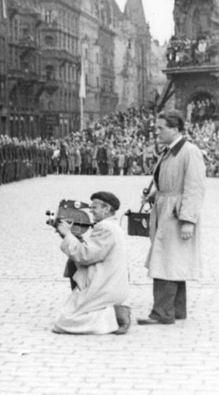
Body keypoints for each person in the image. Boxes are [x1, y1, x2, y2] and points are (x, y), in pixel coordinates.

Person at [138, 110, 207, 326]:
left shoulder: (189, 151)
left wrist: (188, 220)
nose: (156, 132)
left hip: (176, 214)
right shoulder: (170, 151)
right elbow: (168, 181)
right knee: (172, 260)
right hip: (166, 209)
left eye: (161, 128)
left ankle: (162, 312)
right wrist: (154, 194)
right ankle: (176, 310)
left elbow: (194, 187)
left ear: (175, 128)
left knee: (165, 260)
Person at [53, 192, 131, 335]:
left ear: (106, 209)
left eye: (94, 207)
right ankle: (112, 312)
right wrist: (72, 236)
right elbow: (93, 250)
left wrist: (67, 234)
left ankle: (111, 316)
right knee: (71, 264)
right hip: (111, 284)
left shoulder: (105, 227)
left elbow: (85, 255)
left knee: (63, 322)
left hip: (106, 286)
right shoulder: (112, 225)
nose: (90, 210)